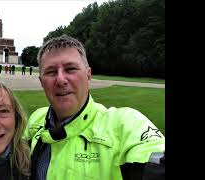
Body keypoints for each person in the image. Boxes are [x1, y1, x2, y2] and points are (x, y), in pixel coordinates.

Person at [23, 35, 165, 180]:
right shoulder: (36, 120)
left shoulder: (126, 124)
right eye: (51, 72)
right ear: (41, 81)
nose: (60, 80)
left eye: (70, 69)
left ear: (88, 75)